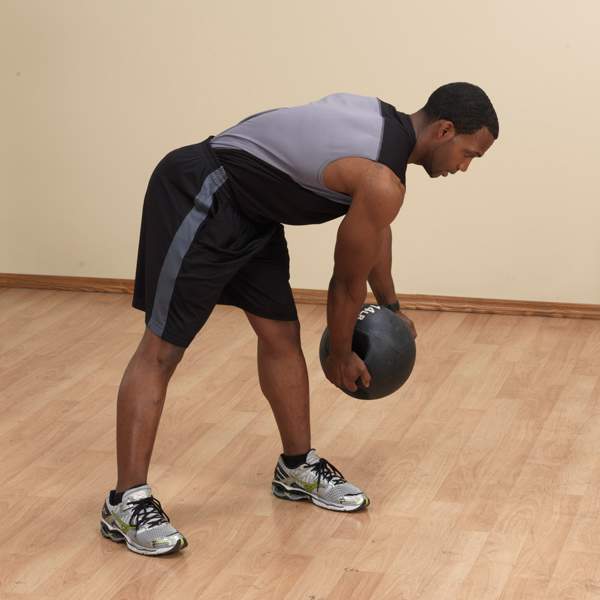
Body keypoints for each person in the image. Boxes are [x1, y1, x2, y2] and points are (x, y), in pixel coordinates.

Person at [99, 82, 499, 556]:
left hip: (253, 210)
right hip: (204, 188)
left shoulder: (385, 135)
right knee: (162, 349)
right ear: (445, 130)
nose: (464, 167)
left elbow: (375, 231)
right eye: (469, 154)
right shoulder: (380, 176)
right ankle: (126, 500)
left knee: (281, 336)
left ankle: (296, 467)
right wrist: (341, 354)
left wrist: (390, 306)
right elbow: (345, 283)